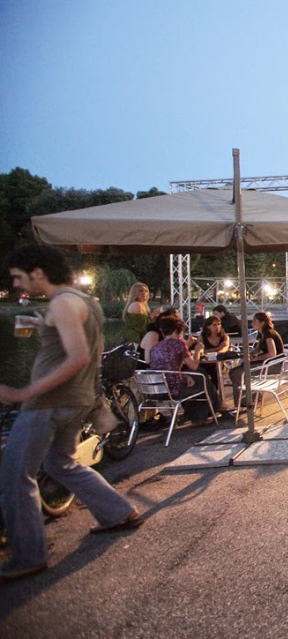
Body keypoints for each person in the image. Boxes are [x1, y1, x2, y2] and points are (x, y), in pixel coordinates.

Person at [1, 245, 143, 581]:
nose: (18, 285)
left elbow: (79, 356)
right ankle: (118, 512)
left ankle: (29, 555)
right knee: (60, 463)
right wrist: (45, 329)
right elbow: (95, 351)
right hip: (77, 399)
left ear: (37, 272)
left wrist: (24, 393)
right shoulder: (86, 302)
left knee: (15, 475)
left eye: (19, 277)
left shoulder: (62, 303)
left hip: (47, 403)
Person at [149, 313, 229, 424]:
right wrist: (197, 351)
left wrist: (185, 375)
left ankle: (196, 415)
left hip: (156, 389)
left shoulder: (155, 347)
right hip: (175, 389)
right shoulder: (179, 344)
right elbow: (194, 366)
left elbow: (167, 367)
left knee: (197, 379)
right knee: (202, 377)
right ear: (177, 330)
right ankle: (216, 407)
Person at [228, 311, 284, 408]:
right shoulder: (261, 334)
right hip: (268, 363)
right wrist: (250, 355)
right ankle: (250, 397)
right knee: (233, 372)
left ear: (262, 323)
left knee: (239, 373)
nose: (252, 323)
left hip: (273, 365)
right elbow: (257, 349)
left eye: (255, 321)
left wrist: (255, 359)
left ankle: (246, 401)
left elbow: (272, 354)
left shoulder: (269, 334)